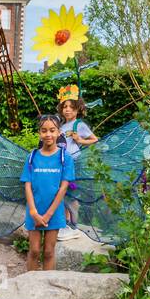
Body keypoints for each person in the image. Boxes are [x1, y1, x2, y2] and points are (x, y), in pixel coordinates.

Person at [21, 114, 76, 271]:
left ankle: (47, 287)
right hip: (34, 211)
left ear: (59, 132)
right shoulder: (32, 157)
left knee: (49, 252)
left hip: (55, 212)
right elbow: (27, 185)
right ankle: (31, 285)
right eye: (44, 131)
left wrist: (48, 215)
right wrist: (33, 212)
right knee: (34, 250)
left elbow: (64, 187)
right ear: (39, 133)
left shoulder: (65, 158)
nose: (48, 134)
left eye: (52, 130)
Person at [58, 94, 98, 227]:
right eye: (65, 107)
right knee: (62, 191)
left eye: (71, 107)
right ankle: (65, 220)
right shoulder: (61, 126)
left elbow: (95, 139)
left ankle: (73, 221)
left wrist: (80, 140)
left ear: (77, 109)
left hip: (74, 162)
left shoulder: (78, 124)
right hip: (61, 163)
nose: (67, 110)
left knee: (73, 191)